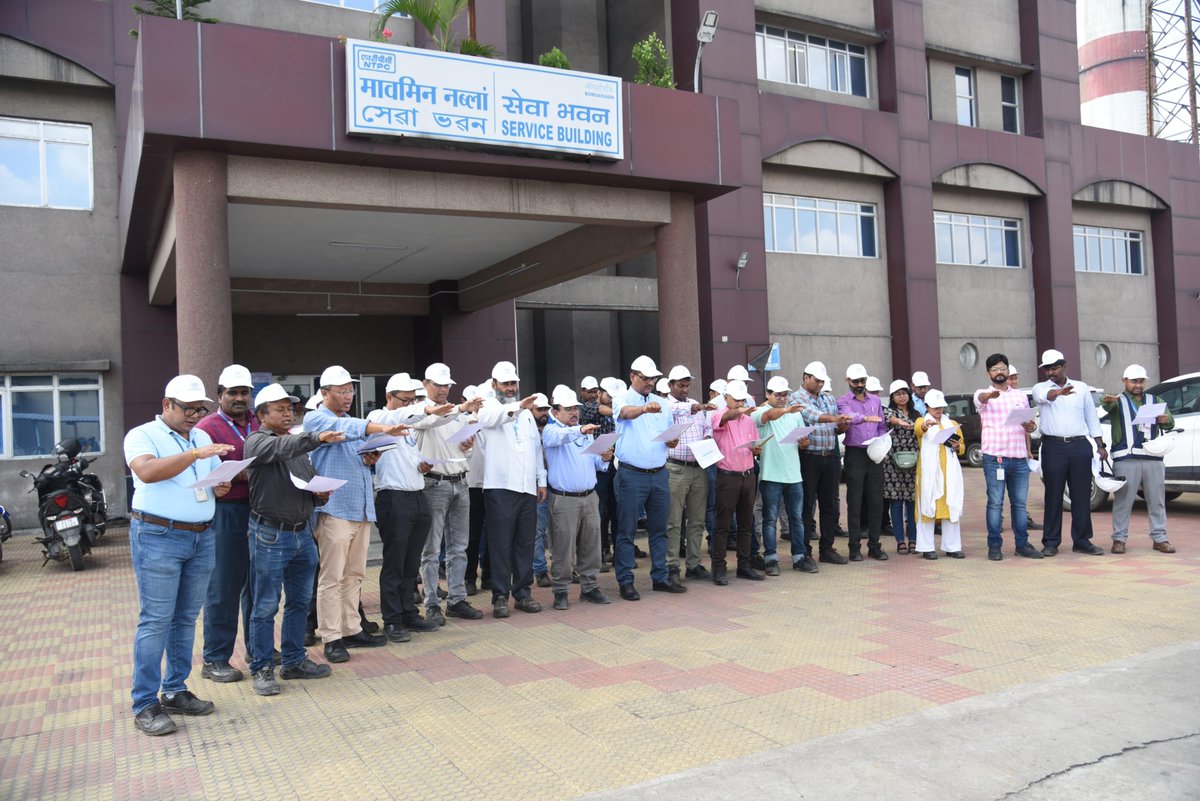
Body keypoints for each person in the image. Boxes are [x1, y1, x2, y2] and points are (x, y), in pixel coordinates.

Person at [124, 375, 233, 736]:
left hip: (201, 536)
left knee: (185, 618)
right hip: (158, 534)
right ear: (166, 404)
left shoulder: (200, 436)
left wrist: (221, 484)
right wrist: (193, 455)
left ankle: (175, 689)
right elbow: (147, 472)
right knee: (156, 619)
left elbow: (204, 484)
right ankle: (144, 703)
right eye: (188, 408)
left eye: (200, 409)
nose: (194, 415)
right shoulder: (142, 435)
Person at [303, 365, 409, 664]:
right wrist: (382, 428)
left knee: (355, 575)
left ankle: (351, 628)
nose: (349, 396)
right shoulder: (316, 418)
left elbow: (360, 451)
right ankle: (331, 637)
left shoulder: (351, 420)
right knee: (331, 577)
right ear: (324, 393)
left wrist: (371, 456)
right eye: (342, 391)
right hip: (334, 508)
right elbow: (348, 432)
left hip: (360, 508)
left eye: (351, 390)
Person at [242, 384, 341, 696]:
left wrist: (319, 496)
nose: (288, 414)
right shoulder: (258, 442)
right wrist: (316, 437)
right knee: (266, 605)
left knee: (299, 601)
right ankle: (261, 668)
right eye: (280, 409)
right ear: (261, 415)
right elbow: (283, 450)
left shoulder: (294, 447)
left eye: (291, 409)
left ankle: (294, 661)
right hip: (270, 535)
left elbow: (308, 485)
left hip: (301, 534)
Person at [366, 373, 444, 641]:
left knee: (411, 561)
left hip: (416, 494)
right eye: (405, 400)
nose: (410, 406)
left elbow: (411, 456)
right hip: (393, 497)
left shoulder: (408, 428)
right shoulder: (379, 418)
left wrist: (423, 463)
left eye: (414, 400)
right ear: (389, 397)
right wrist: (420, 409)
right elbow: (391, 421)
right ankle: (392, 619)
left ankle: (409, 612)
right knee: (394, 562)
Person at [194, 364, 259, 685]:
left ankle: (258, 650)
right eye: (232, 393)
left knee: (258, 585)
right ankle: (216, 658)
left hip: (261, 511)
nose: (239, 398)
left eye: (244, 392)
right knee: (224, 587)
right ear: (219, 395)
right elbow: (204, 472)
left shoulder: (260, 422)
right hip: (227, 513)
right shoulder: (207, 428)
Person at [411, 363, 484, 624]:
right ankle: (432, 603)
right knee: (430, 549)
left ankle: (456, 599)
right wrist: (461, 410)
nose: (443, 389)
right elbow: (431, 420)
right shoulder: (419, 409)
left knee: (458, 547)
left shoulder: (457, 414)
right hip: (434, 483)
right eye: (438, 384)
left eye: (446, 385)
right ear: (425, 384)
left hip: (459, 480)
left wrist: (467, 446)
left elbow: (464, 451)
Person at [477, 361, 547, 618]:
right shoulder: (488, 406)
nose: (510, 388)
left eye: (513, 384)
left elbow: (536, 449)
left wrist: (541, 480)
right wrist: (518, 406)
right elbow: (491, 418)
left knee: (525, 542)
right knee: (500, 543)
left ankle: (523, 593)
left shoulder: (527, 414)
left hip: (526, 486)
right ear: (494, 384)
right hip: (500, 487)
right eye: (505, 384)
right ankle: (499, 595)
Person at [612, 355, 685, 599]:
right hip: (632, 474)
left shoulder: (661, 403)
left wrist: (671, 440)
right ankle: (625, 580)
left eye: (653, 378)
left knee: (659, 528)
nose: (650, 383)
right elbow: (625, 414)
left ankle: (660, 577)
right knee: (627, 529)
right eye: (645, 378)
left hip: (658, 473)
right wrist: (643, 409)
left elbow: (665, 433)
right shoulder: (621, 398)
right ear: (632, 376)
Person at [542, 385, 613, 609]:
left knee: (591, 544)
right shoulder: (552, 431)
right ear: (556, 411)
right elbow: (559, 438)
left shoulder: (583, 431)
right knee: (563, 548)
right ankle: (561, 591)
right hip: (564, 499)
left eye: (576, 408)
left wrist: (605, 457)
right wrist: (581, 431)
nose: (575, 412)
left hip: (589, 496)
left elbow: (597, 465)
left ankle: (590, 587)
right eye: (569, 409)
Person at [1032, 349, 1106, 557]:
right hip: (1053, 447)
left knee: (1081, 495)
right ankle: (1051, 542)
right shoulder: (1041, 388)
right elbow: (1043, 397)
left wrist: (1100, 446)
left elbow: (1092, 418)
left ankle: (1082, 540)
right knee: (1053, 495)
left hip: (1079, 446)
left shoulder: (1081, 388)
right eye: (1047, 369)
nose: (1051, 372)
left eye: (1054, 368)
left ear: (1064, 366)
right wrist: (1057, 393)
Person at [1102, 365, 1177, 554]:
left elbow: (1170, 421)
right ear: (1124, 381)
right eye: (1134, 381)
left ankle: (1159, 538)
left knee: (1157, 500)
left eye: (1141, 381)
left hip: (1152, 457)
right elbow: (1106, 404)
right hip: (1126, 458)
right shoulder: (1118, 401)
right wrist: (1107, 399)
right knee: (1123, 501)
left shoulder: (1154, 400)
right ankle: (1119, 539)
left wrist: (1164, 419)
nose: (1137, 385)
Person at [975, 354, 1043, 561]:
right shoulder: (982, 393)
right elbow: (980, 401)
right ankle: (994, 546)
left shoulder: (1020, 396)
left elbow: (1028, 424)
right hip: (995, 457)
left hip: (1019, 457)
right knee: (995, 503)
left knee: (1020, 504)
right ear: (989, 373)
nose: (1000, 372)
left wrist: (1031, 426)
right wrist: (989, 397)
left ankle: (1022, 544)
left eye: (1003, 368)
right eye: (995, 369)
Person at [754, 375, 818, 575]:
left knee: (796, 519)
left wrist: (804, 443)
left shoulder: (795, 414)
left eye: (785, 394)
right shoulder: (760, 411)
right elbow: (769, 417)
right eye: (778, 394)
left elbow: (802, 440)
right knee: (770, 519)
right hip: (771, 474)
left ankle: (799, 557)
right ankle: (770, 558)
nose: (782, 398)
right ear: (767, 394)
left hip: (793, 475)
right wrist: (786, 410)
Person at [792, 361, 852, 564]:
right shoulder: (796, 398)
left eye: (821, 381)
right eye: (816, 380)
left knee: (830, 506)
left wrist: (841, 426)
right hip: (809, 457)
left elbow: (834, 427)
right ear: (805, 377)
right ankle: (805, 550)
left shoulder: (828, 398)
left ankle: (827, 548)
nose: (819, 384)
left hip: (830, 456)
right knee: (807, 506)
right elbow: (812, 416)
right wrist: (835, 418)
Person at [664, 365, 714, 582]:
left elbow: (706, 426)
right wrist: (695, 408)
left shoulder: (695, 405)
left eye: (687, 385)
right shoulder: (665, 406)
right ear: (670, 385)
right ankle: (671, 566)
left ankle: (693, 564)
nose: (684, 389)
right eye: (680, 385)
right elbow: (677, 412)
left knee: (697, 520)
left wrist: (706, 438)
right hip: (675, 467)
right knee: (674, 521)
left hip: (698, 466)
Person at [709, 380, 762, 584]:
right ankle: (719, 568)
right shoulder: (718, 414)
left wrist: (756, 449)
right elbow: (725, 417)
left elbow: (754, 444)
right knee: (722, 525)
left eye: (742, 399)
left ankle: (744, 565)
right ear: (726, 398)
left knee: (746, 524)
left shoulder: (748, 421)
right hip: (727, 476)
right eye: (736, 399)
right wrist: (740, 410)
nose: (740, 403)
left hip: (747, 475)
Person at [837, 363, 889, 561]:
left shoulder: (875, 400)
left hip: (874, 453)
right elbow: (848, 416)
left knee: (876, 501)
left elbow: (882, 425)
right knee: (855, 501)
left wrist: (883, 440)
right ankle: (854, 546)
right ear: (848, 381)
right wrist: (865, 418)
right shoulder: (843, 401)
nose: (859, 385)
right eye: (856, 381)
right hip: (855, 454)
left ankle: (875, 545)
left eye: (862, 381)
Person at [913, 390, 966, 559]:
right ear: (927, 407)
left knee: (950, 505)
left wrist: (958, 446)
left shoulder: (952, 423)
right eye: (935, 407)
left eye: (941, 407)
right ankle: (927, 547)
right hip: (929, 473)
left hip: (949, 472)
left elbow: (961, 447)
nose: (938, 410)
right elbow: (918, 430)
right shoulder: (922, 420)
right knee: (927, 504)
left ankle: (952, 546)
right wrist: (925, 426)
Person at [583, 378, 617, 568]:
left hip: (617, 466)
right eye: (608, 395)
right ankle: (601, 551)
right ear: (599, 393)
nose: (611, 399)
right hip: (599, 468)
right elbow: (601, 410)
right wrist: (618, 411)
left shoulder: (619, 408)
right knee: (600, 512)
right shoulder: (589, 407)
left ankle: (617, 551)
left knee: (616, 511)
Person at [883, 380, 919, 554]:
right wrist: (901, 422)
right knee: (896, 504)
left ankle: (913, 539)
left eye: (904, 393)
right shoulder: (888, 411)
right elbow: (889, 419)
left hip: (913, 463)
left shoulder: (916, 413)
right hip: (893, 464)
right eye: (897, 394)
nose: (902, 396)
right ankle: (900, 541)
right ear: (892, 397)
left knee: (912, 504)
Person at [531, 393, 554, 588]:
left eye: (547, 409)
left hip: (558, 484)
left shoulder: (553, 430)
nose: (544, 413)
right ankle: (539, 569)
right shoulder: (527, 431)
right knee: (538, 530)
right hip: (537, 486)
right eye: (540, 409)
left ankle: (563, 567)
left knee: (559, 529)